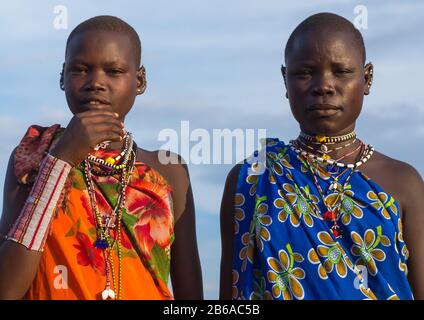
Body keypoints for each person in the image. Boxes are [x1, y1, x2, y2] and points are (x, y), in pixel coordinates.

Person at [220, 12, 424, 300]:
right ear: (285, 80)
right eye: (304, 73)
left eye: (341, 71)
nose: (324, 86)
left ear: (367, 79)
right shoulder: (253, 177)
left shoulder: (404, 183)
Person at [0, 15, 203, 300]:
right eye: (80, 70)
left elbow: (190, 295)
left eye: (114, 71)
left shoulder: (168, 169)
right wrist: (61, 160)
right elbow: (6, 288)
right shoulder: (33, 156)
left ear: (140, 80)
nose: (95, 82)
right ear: (62, 77)